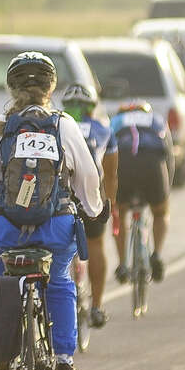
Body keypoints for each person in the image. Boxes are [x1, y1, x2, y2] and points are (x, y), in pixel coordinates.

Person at [0, 51, 106, 370]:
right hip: (55, 228)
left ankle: (1, 355)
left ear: (11, 87)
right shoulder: (64, 125)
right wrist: (94, 208)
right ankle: (63, 359)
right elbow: (87, 179)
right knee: (59, 281)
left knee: (0, 284)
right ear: (51, 87)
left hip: (3, 230)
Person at [60, 82, 118, 329]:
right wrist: (111, 203)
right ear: (91, 108)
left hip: (59, 194)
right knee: (95, 244)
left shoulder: (57, 126)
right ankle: (96, 306)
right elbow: (111, 173)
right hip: (91, 195)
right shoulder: (102, 129)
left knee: (56, 247)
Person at [109, 99, 173, 284]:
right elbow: (168, 157)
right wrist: (165, 190)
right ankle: (157, 255)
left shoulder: (116, 121)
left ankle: (122, 264)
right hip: (152, 164)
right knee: (160, 213)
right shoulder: (156, 120)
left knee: (119, 214)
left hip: (124, 164)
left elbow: (107, 154)